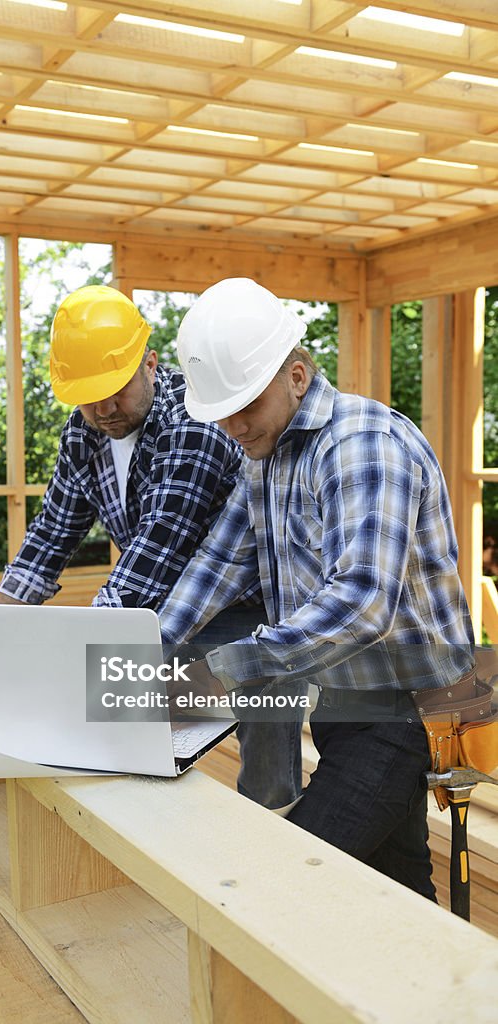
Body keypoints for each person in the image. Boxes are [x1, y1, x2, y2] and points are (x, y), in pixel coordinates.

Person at [157, 277, 475, 900]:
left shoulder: (362, 445)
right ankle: (434, 991)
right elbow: (219, 561)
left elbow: (361, 600)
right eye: (222, 410)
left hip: (407, 708)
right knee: (396, 885)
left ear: (297, 375)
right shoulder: (267, 455)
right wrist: (149, 652)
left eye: (246, 403)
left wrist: (222, 670)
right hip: (344, 701)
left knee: (286, 879)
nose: (234, 424)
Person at [0, 283, 304, 809]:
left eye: (116, 388)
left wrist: (84, 653)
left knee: (263, 705)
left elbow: (155, 552)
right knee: (125, 723)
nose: (104, 407)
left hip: (244, 605)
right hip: (157, 605)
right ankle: (138, 813)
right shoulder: (83, 433)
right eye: (88, 396)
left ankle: (272, 821)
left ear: (150, 364)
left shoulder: (194, 423)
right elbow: (52, 531)